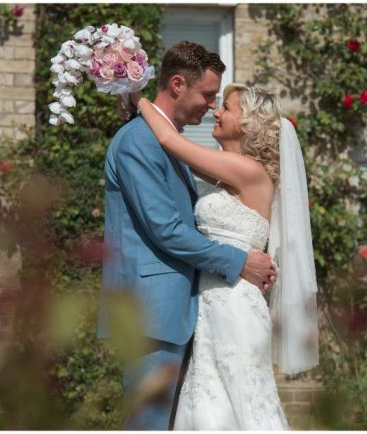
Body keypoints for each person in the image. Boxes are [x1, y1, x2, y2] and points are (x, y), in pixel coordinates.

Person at [97, 41, 278, 431]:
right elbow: (167, 230)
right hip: (152, 312)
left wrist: (137, 99)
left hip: (192, 312)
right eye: (209, 95)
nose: (211, 106)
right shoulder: (139, 141)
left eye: (220, 101)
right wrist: (240, 260)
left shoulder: (175, 144)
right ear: (178, 84)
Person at [128, 82, 319, 430]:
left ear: (246, 123)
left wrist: (136, 97)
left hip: (234, 306)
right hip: (211, 307)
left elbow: (171, 142)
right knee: (209, 412)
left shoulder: (250, 172)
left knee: (246, 408)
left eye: (227, 108)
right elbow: (172, 152)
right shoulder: (226, 172)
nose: (216, 112)